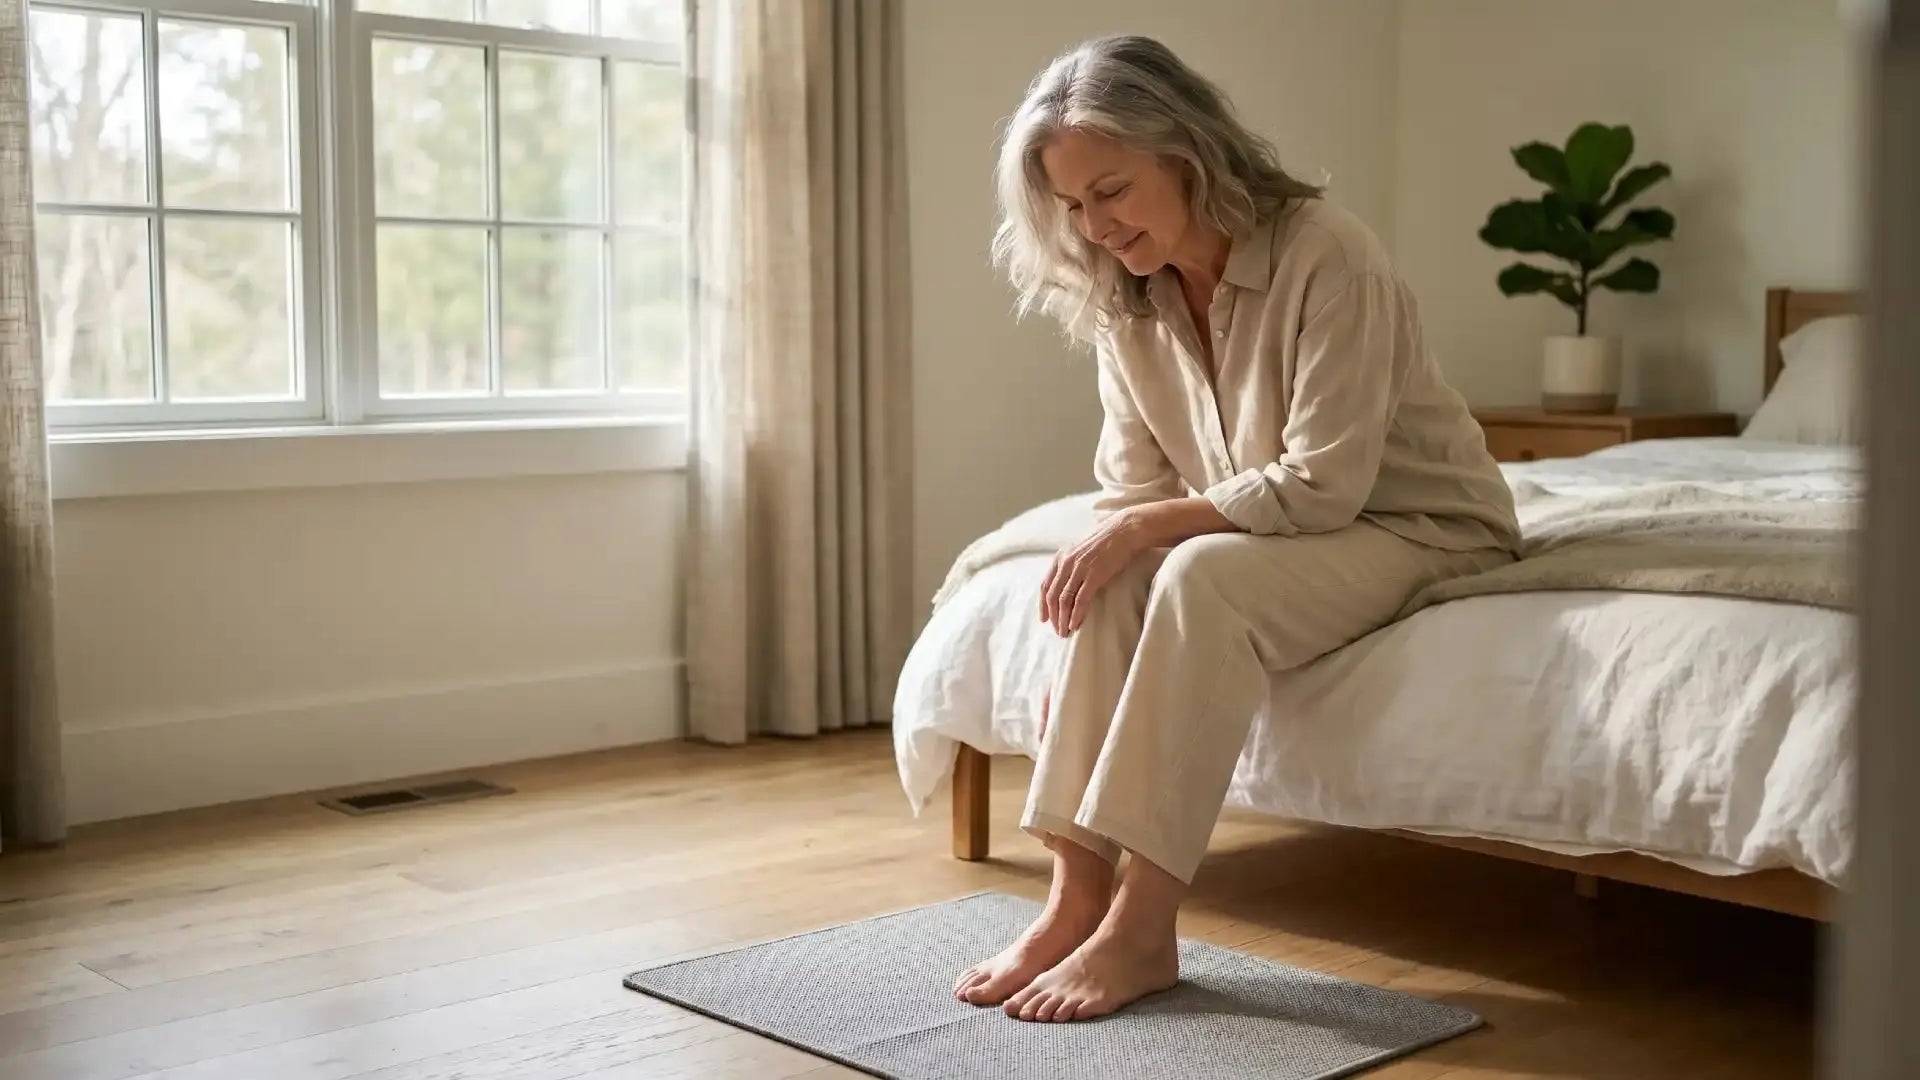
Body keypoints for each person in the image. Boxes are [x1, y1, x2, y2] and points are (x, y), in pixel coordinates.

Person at [951, 35, 1523, 1024]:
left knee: (1198, 576)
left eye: (1113, 191)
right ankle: (1073, 896)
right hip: (1293, 529)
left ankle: (1143, 925)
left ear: (1186, 154)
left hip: (1420, 524)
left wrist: (1146, 535)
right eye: (1074, 206)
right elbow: (1132, 492)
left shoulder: (1328, 252)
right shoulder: (1124, 300)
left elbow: (1326, 483)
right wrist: (1082, 644)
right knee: (1122, 565)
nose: (1094, 225)